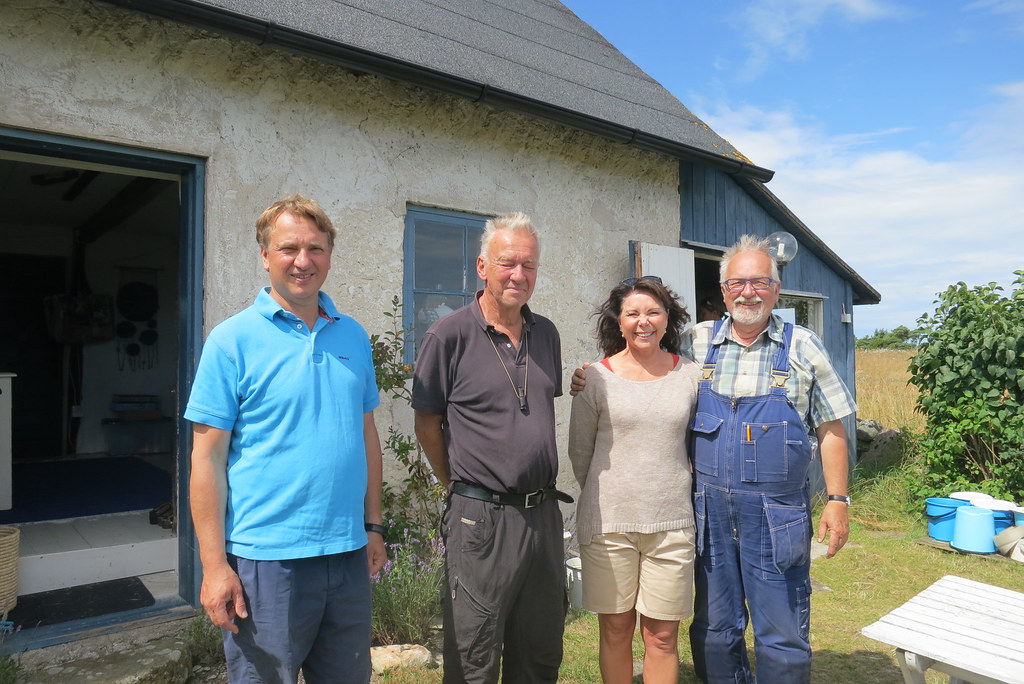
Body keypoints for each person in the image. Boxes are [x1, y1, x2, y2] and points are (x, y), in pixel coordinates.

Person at [571, 235, 855, 684]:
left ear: (776, 289)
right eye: (737, 282)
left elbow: (832, 429)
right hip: (709, 512)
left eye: (760, 282)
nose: (748, 292)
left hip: (775, 512)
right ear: (723, 291)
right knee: (716, 629)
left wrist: (837, 498)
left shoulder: (803, 345)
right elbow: (641, 366)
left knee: (780, 630)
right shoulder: (696, 343)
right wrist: (589, 376)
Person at [185, 195, 386, 684]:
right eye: (289, 248)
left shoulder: (352, 336)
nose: (303, 261)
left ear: (330, 255)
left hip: (346, 553)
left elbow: (366, 435)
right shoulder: (230, 341)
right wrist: (214, 567)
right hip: (266, 563)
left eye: (315, 249)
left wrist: (374, 526)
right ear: (265, 256)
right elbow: (206, 459)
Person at [412, 212, 569, 684]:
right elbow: (427, 423)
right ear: (482, 267)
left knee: (540, 649)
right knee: (473, 655)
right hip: (480, 519)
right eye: (507, 263)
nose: (518, 275)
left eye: (529, 266)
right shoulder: (449, 335)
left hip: (542, 516)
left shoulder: (547, 334)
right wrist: (456, 484)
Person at [567, 276, 701, 684]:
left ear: (668, 319)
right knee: (616, 629)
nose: (644, 322)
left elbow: (697, 445)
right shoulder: (594, 378)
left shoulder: (693, 377)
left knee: (662, 636)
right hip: (609, 524)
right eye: (633, 314)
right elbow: (580, 453)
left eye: (653, 312)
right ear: (619, 322)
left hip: (672, 524)